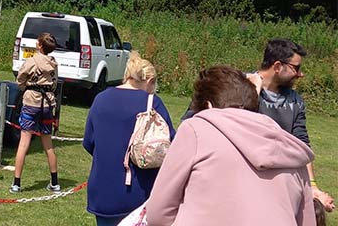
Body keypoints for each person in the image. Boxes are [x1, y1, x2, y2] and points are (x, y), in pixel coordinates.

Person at [145, 65, 316, 226]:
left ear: (208, 106)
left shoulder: (196, 129)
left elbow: (158, 213)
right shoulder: (289, 147)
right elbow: (307, 220)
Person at [83, 51, 174, 226]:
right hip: (138, 191)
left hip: (103, 190)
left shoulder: (100, 99)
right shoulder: (152, 103)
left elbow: (89, 142)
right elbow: (170, 143)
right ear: (149, 81)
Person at [247, 38, 334, 212]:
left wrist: (312, 186)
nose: (300, 74)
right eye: (296, 68)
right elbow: (232, 122)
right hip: (247, 178)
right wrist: (254, 92)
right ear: (278, 66)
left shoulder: (295, 101)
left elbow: (301, 145)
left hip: (281, 183)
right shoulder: (242, 86)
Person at [10, 32, 60, 193]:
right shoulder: (53, 64)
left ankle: (16, 183)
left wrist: (27, 87)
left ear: (39, 45)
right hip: (46, 105)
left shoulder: (31, 61)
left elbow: (20, 80)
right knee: (48, 144)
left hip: (31, 102)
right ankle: (55, 181)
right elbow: (54, 84)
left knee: (24, 142)